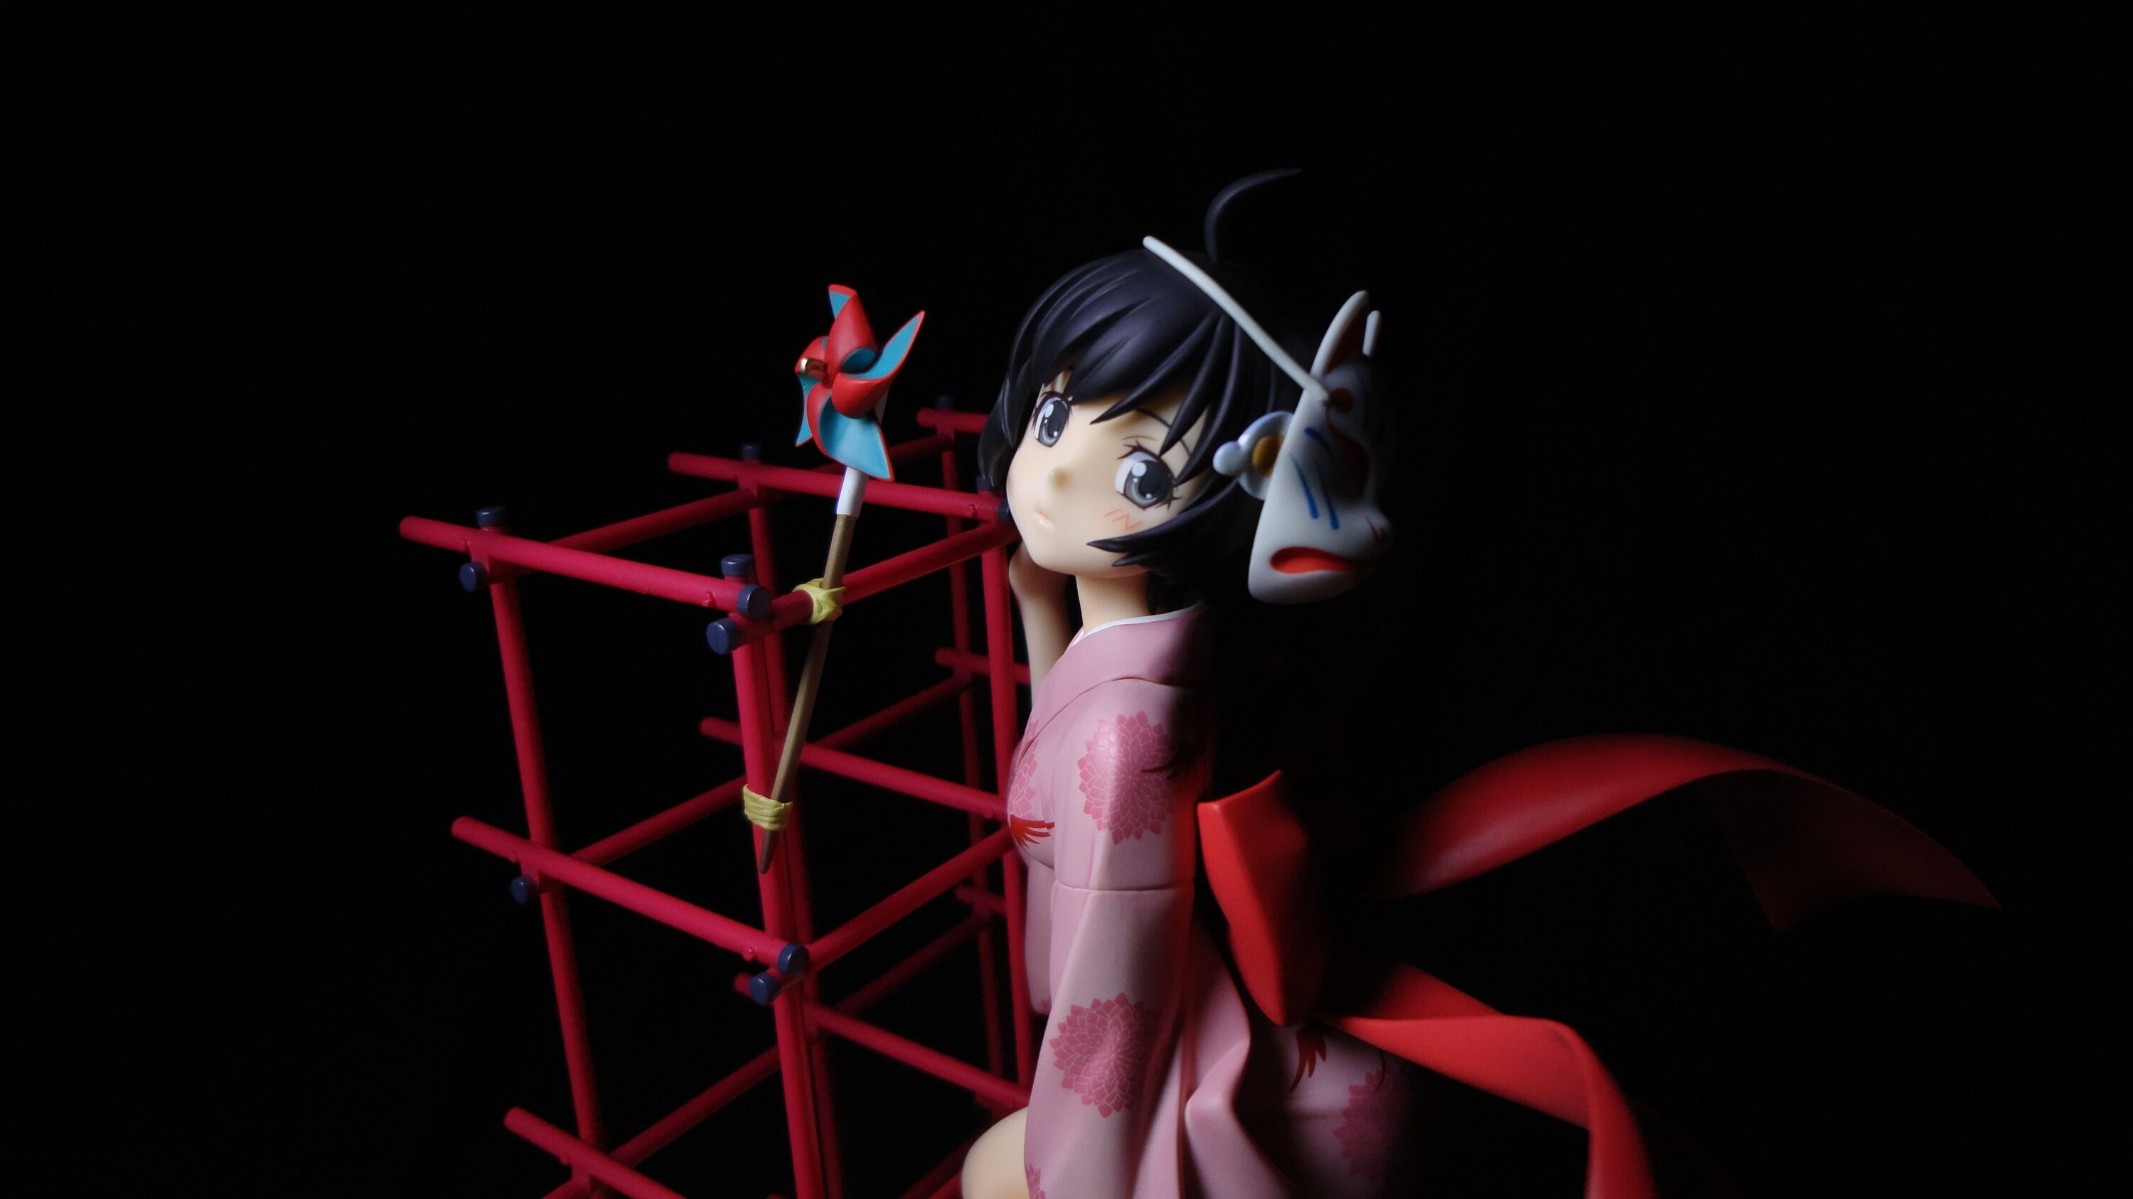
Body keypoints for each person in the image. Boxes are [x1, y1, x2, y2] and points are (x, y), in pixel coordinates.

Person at [958, 175, 1997, 1199]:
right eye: (1053, 416)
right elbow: (1068, 763)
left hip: (1163, 1053)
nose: (1054, 475)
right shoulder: (1146, 673)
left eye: (1143, 474)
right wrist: (1039, 607)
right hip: (1175, 1004)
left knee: (991, 1173)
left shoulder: (1128, 733)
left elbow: (1114, 993)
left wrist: (1076, 1173)